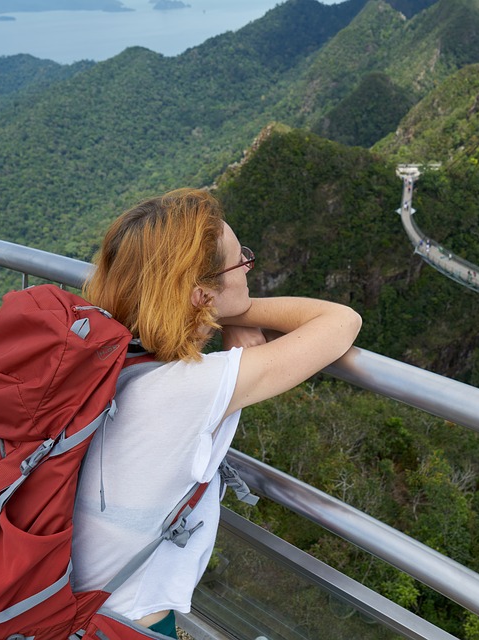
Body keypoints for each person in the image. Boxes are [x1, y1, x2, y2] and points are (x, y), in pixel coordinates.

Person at [70, 188, 362, 637]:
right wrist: (237, 312)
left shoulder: (101, 353)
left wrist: (215, 309)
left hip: (61, 596)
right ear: (201, 293)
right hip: (118, 624)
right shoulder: (189, 386)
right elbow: (343, 322)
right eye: (238, 260)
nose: (248, 265)